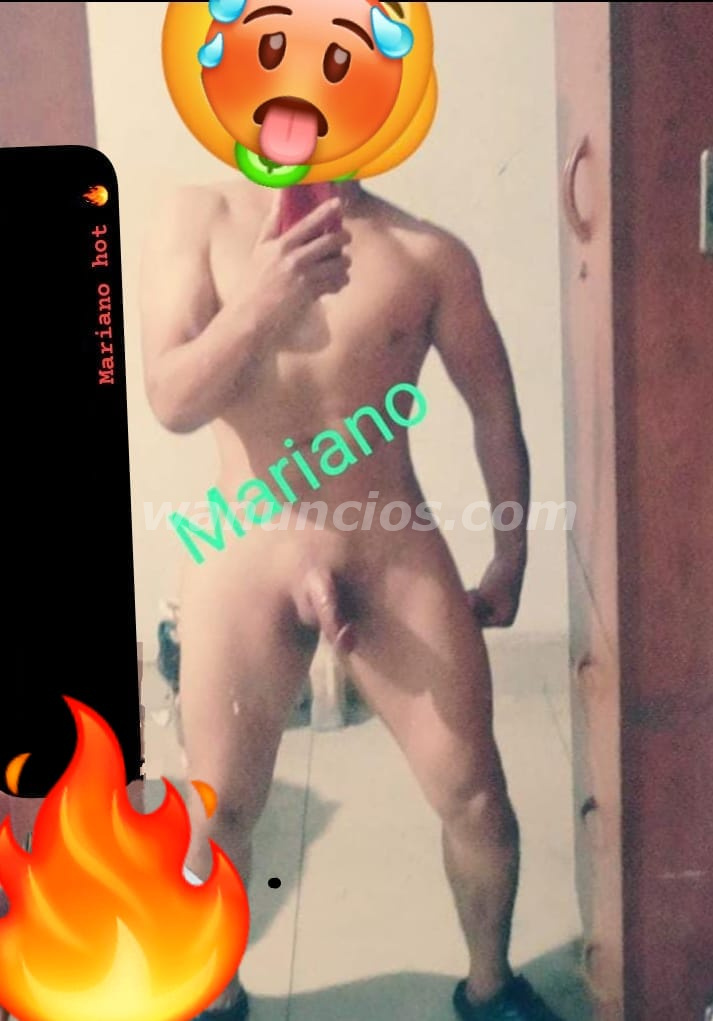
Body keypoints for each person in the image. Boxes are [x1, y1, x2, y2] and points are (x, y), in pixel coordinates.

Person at [140, 176, 564, 1021]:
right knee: (219, 807)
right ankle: (212, 992)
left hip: (387, 546)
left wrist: (510, 552)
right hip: (243, 546)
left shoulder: (426, 254)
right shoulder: (199, 218)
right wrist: (264, 298)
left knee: (475, 792)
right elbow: (171, 399)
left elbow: (492, 409)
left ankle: (491, 987)